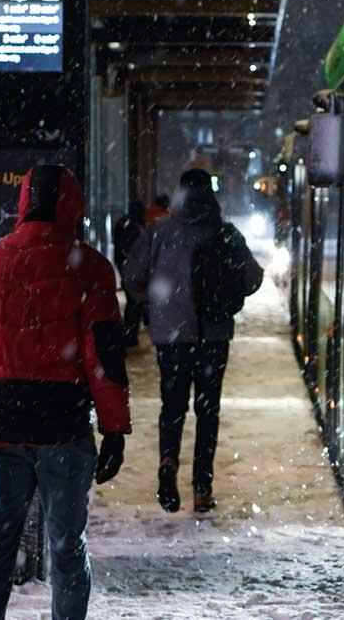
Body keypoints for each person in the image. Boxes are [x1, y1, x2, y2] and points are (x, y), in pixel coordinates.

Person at [0, 165, 131, 620]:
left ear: (23, 202)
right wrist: (114, 429)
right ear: (73, 204)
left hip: (2, 427)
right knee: (67, 546)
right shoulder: (88, 266)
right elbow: (103, 357)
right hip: (62, 428)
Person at [124, 169, 263, 513]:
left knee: (172, 406)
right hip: (213, 336)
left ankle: (168, 460)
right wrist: (223, 299)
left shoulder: (159, 233)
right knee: (207, 411)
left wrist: (157, 307)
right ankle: (203, 488)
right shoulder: (226, 234)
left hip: (171, 338)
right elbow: (254, 278)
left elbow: (131, 277)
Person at [113, 200, 148, 346]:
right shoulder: (136, 228)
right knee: (135, 302)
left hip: (125, 266)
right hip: (133, 269)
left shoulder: (124, 224)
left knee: (133, 300)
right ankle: (130, 334)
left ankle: (129, 333)